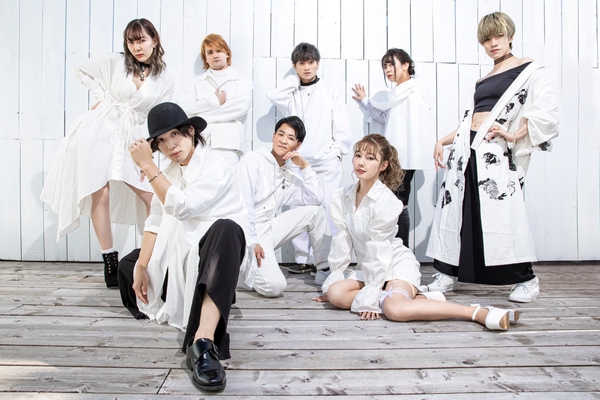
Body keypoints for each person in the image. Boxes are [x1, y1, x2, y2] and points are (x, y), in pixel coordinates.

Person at [313, 134, 518, 331]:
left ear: (383, 165)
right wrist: (335, 279)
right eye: (358, 155)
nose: (361, 162)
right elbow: (342, 242)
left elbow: (378, 248)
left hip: (393, 264)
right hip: (369, 267)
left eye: (370, 158)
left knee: (395, 310)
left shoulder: (386, 201)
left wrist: (371, 295)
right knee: (335, 294)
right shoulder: (342, 197)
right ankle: (419, 300)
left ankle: (476, 312)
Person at [424, 12, 559, 303]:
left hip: (494, 152)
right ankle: (446, 274)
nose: (493, 43)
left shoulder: (527, 69)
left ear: (511, 36)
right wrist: (441, 141)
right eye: (487, 39)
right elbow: (470, 121)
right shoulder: (483, 79)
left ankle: (526, 280)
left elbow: (545, 110)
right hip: (465, 150)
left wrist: (515, 134)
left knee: (503, 216)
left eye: (498, 36)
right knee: (459, 213)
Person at [117, 102, 251, 392]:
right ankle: (200, 294)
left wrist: (148, 165)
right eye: (161, 141)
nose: (170, 146)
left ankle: (203, 342)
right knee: (129, 266)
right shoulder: (168, 171)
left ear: (191, 131)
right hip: (179, 252)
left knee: (226, 229)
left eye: (175, 134)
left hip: (215, 251)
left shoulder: (217, 165)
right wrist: (142, 264)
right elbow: (155, 219)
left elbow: (183, 207)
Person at [40, 19, 174, 288]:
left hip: (132, 135)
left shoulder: (164, 78)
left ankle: (153, 255)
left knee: (151, 196)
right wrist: (101, 95)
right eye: (131, 41)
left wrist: (150, 149)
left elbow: (159, 114)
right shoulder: (116, 62)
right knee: (99, 192)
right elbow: (81, 68)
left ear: (154, 40)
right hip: (100, 130)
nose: (136, 47)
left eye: (142, 40)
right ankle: (109, 260)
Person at [267, 42, 352, 276]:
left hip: (325, 162)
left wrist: (336, 152)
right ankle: (303, 259)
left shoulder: (329, 89)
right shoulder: (291, 92)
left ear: (318, 63)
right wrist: (293, 80)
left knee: (327, 209)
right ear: (294, 65)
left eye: (311, 62)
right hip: (296, 160)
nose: (307, 67)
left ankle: (324, 261)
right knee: (297, 207)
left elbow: (341, 124)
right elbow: (273, 95)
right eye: (301, 63)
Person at [236, 116, 332, 295]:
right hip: (248, 232)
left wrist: (305, 166)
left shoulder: (288, 175)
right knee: (275, 287)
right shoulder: (253, 160)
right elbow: (243, 206)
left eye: (290, 138)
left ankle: (325, 271)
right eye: (280, 134)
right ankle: (239, 269)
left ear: (297, 145)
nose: (283, 140)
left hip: (269, 228)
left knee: (316, 213)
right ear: (273, 136)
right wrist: (252, 242)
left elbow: (316, 198)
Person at [351, 49, 433, 246]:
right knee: (392, 201)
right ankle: (395, 249)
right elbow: (384, 118)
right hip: (396, 157)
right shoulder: (397, 93)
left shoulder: (412, 92)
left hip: (405, 158)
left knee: (398, 202)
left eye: (391, 64)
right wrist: (365, 101)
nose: (387, 70)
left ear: (405, 65)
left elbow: (413, 132)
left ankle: (401, 250)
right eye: (385, 66)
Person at [179, 33, 252, 166]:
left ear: (227, 53)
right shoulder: (194, 83)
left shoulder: (241, 81)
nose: (215, 55)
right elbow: (184, 111)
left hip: (228, 146)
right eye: (210, 52)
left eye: (219, 50)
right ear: (206, 58)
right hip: (200, 145)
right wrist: (213, 103)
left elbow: (241, 108)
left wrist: (200, 118)